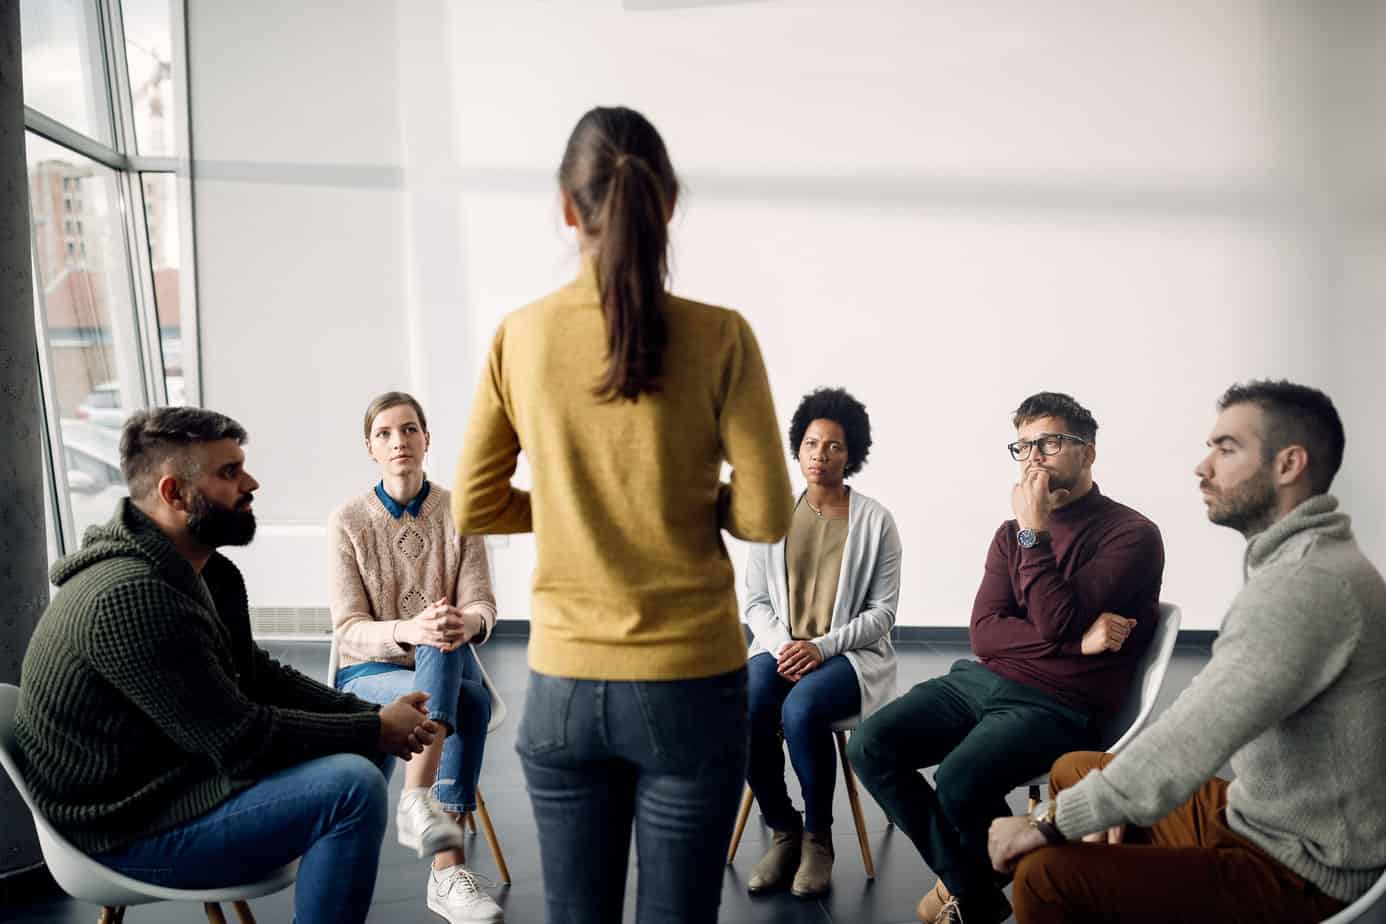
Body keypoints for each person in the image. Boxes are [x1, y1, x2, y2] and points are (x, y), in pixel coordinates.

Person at [452, 105, 793, 924]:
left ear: (567, 209)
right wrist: (677, 500)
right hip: (690, 685)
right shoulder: (722, 337)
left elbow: (475, 502)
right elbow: (767, 514)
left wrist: (575, 504)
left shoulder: (521, 335)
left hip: (563, 686)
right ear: (668, 202)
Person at [16, 407, 437, 924]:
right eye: (229, 472)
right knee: (352, 785)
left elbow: (256, 675)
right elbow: (238, 739)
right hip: (125, 827)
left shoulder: (208, 572)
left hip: (175, 777)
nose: (252, 483)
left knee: (366, 750)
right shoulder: (130, 597)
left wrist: (366, 715)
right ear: (174, 493)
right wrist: (372, 725)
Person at [989, 380, 1386, 924]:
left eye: (1226, 449)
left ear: (1289, 464)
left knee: (1044, 876)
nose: (1203, 467)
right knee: (1075, 769)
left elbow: (1192, 741)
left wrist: (1044, 825)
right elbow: (1200, 711)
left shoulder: (1305, 586)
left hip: (1301, 866)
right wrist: (1090, 806)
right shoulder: (1305, 562)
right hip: (1258, 816)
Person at [847, 391, 1165, 924]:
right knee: (870, 745)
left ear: (1087, 453)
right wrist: (1074, 641)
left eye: (1049, 443)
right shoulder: (1009, 534)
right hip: (983, 681)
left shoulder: (1130, 535)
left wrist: (1034, 530)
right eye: (1022, 447)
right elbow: (985, 633)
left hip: (1062, 702)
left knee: (959, 779)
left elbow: (1053, 618)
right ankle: (971, 887)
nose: (1034, 457)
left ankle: (967, 887)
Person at [329, 391, 503, 924]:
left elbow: (482, 605)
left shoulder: (460, 510)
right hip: (369, 674)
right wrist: (412, 628)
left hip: (443, 659)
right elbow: (348, 631)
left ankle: (416, 802)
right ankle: (446, 873)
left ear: (427, 438)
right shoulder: (348, 521)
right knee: (461, 696)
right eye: (384, 433)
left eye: (409, 430)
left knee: (447, 637)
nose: (398, 441)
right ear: (370, 449)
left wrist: (463, 621)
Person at [742, 387, 900, 897]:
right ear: (798, 447)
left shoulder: (876, 522)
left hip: (849, 657)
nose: (820, 455)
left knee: (802, 710)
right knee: (744, 702)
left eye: (833, 446)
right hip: (781, 647)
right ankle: (783, 827)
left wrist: (822, 647)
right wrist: (784, 645)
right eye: (811, 444)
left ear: (851, 453)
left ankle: (818, 838)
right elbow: (755, 601)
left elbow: (883, 614)